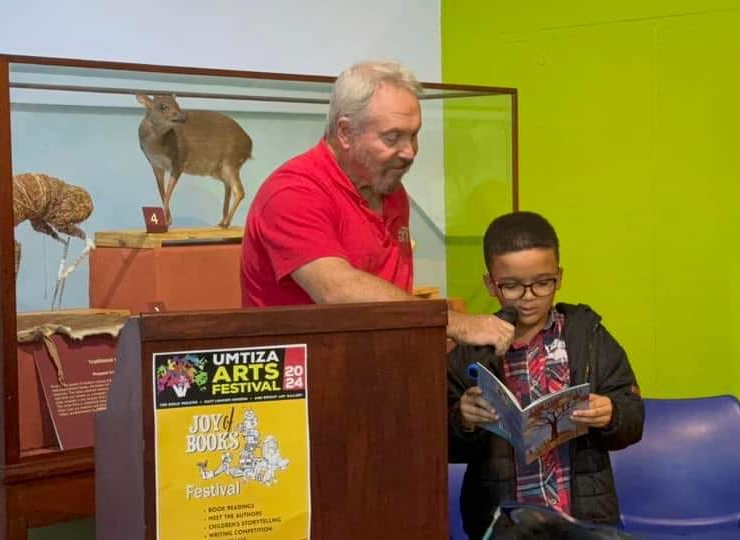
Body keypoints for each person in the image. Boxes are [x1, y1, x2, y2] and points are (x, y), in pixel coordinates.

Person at [239, 60, 513, 353]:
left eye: (414, 134)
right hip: (304, 379)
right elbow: (337, 290)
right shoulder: (294, 191)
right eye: (392, 137)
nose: (409, 152)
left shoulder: (391, 190)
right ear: (345, 132)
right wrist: (454, 323)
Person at [447, 211, 644, 538]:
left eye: (542, 283)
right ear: (489, 283)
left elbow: (633, 417)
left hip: (579, 518)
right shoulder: (472, 349)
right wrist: (462, 419)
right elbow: (442, 443)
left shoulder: (587, 335)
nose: (528, 297)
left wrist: (612, 413)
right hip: (504, 523)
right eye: (511, 286)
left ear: (560, 276)